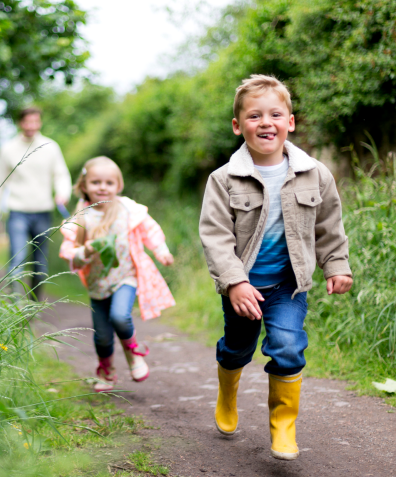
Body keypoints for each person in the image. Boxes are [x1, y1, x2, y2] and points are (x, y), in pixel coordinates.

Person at [199, 75, 353, 461]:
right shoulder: (223, 180)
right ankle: (228, 392)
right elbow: (216, 236)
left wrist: (336, 265)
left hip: (288, 284)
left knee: (287, 346)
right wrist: (234, 283)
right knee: (237, 349)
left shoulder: (315, 173)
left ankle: (283, 426)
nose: (266, 122)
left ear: (291, 121)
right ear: (238, 126)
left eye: (275, 114)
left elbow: (328, 226)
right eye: (254, 115)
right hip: (244, 286)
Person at [59, 156, 175, 393]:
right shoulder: (81, 217)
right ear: (84, 186)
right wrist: (87, 250)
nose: (102, 187)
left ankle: (134, 353)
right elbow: (70, 254)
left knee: (120, 317)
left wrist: (161, 250)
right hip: (97, 283)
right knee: (102, 336)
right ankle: (107, 371)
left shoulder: (127, 208)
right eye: (96, 182)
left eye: (109, 183)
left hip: (126, 276)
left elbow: (148, 229)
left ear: (118, 186)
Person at [0, 107, 71, 299]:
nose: (31, 126)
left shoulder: (51, 146)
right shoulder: (8, 149)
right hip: (17, 211)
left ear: (40, 123)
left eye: (35, 121)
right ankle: (15, 305)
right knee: (16, 259)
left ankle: (34, 304)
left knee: (40, 263)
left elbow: (61, 174)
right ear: (20, 123)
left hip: (43, 211)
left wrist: (62, 193)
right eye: (27, 122)